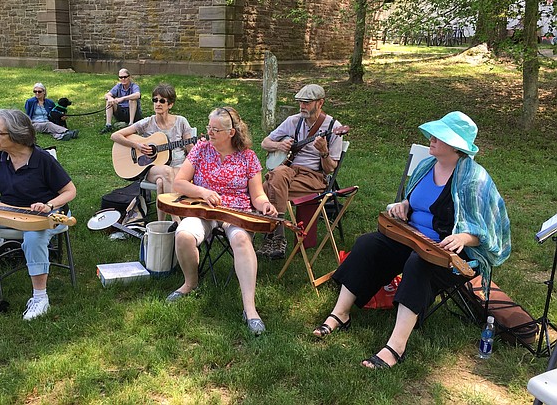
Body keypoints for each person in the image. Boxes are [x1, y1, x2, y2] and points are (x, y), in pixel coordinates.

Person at [312, 111, 511, 369]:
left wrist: (464, 236)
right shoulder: (426, 166)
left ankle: (396, 346)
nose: (432, 139)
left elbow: (489, 230)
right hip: (411, 237)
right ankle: (340, 314)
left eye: (440, 136)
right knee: (367, 244)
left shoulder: (475, 180)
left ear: (456, 146)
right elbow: (413, 200)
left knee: (419, 265)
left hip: (448, 256)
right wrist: (404, 205)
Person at [0, 109, 77, 321]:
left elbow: (70, 191)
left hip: (43, 214)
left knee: (33, 239)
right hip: (7, 211)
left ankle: (40, 298)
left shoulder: (42, 160)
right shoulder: (0, 155)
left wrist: (48, 205)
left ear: (17, 135)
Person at [166, 107, 278, 335]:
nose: (210, 133)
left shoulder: (248, 157)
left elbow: (257, 195)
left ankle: (250, 309)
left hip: (235, 211)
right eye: (209, 127)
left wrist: (265, 204)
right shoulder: (200, 149)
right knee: (184, 235)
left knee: (242, 242)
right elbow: (179, 183)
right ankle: (190, 283)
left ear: (231, 133)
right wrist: (202, 192)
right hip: (203, 208)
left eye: (216, 129)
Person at [257, 84, 344, 259]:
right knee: (279, 174)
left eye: (306, 103)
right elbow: (265, 143)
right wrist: (278, 145)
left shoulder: (334, 127)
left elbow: (330, 168)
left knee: (266, 187)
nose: (302, 106)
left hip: (314, 176)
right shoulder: (293, 121)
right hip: (289, 171)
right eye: (300, 102)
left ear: (320, 103)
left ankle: (272, 236)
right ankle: (278, 237)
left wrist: (324, 152)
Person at [110, 83, 194, 221]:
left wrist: (194, 161)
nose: (158, 103)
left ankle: (161, 224)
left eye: (162, 101)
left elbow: (190, 148)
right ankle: (176, 221)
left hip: (178, 166)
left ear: (170, 105)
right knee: (166, 172)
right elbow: (115, 135)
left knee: (162, 182)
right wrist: (137, 145)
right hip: (153, 167)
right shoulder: (147, 122)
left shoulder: (181, 122)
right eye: (155, 100)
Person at [100, 68, 142, 133]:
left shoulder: (134, 86)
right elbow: (107, 95)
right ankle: (108, 125)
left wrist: (123, 98)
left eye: (125, 77)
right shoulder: (118, 86)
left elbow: (137, 95)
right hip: (121, 112)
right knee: (109, 101)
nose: (123, 79)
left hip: (133, 113)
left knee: (132, 100)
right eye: (121, 77)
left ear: (129, 77)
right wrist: (110, 98)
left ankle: (131, 124)